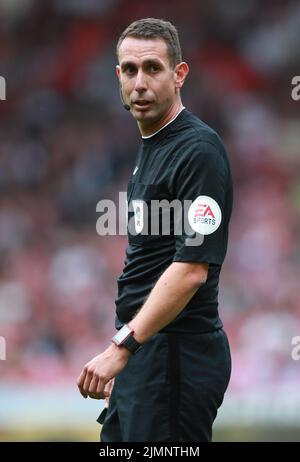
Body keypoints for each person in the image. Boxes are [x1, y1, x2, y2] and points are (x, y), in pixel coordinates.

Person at [77, 17, 233, 442]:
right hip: (147, 358)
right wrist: (130, 361)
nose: (139, 82)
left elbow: (191, 268)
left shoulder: (197, 150)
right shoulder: (153, 145)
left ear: (179, 74)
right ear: (118, 77)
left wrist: (122, 349)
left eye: (153, 68)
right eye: (129, 70)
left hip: (177, 357)